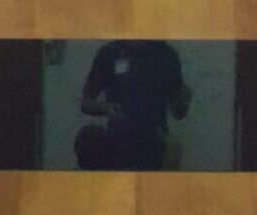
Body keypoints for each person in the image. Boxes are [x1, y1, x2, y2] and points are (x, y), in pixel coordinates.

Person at [74, 38, 191, 170]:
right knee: (88, 138)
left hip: (155, 144)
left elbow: (179, 112)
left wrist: (184, 99)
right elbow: (86, 103)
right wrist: (106, 108)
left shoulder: (166, 55)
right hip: (117, 142)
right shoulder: (110, 53)